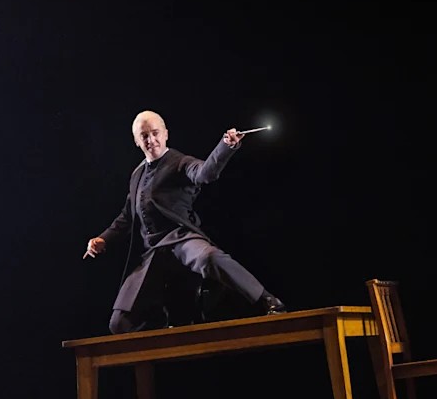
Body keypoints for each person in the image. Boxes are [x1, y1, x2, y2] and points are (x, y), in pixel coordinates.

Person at [83, 110, 287, 334]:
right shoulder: (137, 174)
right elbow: (128, 215)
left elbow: (205, 173)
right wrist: (103, 238)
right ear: (136, 141)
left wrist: (225, 146)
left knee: (209, 257)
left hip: (180, 239)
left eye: (155, 133)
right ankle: (164, 326)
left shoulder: (179, 162)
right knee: (119, 324)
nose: (151, 140)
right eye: (144, 136)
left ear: (166, 134)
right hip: (153, 253)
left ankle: (267, 300)